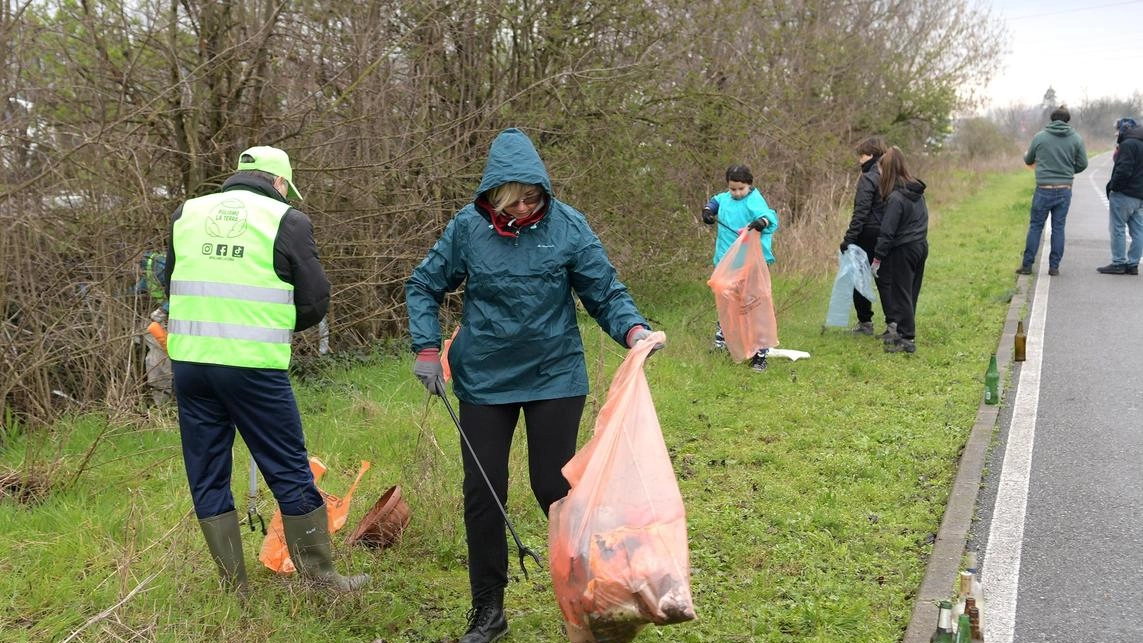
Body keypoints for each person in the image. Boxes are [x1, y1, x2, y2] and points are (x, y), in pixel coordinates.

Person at [405, 128, 659, 643]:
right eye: (516, 198)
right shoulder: (467, 229)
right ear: (495, 194)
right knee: (484, 491)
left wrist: (634, 330)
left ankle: (598, 594)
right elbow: (423, 283)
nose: (526, 206)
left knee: (553, 485)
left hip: (554, 374)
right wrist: (427, 350)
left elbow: (604, 290)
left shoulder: (567, 226)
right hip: (484, 378)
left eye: (534, 196)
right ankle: (488, 613)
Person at [162, 146, 368, 594]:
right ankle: (321, 579)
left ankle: (234, 586)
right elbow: (314, 302)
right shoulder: (287, 221)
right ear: (279, 183)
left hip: (191, 365)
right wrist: (269, 324)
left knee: (207, 470)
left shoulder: (186, 214)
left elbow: (171, 283)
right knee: (288, 465)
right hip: (252, 368)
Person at [701, 164, 779, 371]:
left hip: (750, 262)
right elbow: (715, 201)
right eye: (732, 189)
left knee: (753, 305)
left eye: (740, 189)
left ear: (749, 186)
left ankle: (760, 354)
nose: (736, 193)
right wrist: (708, 210)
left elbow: (769, 217)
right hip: (726, 261)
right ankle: (723, 343)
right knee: (725, 300)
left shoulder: (753, 200)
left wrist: (761, 222)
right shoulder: (725, 198)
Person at [1017, 106, 1088, 276]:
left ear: (1051, 119)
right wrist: (1069, 171)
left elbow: (1028, 159)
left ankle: (1027, 266)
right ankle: (1054, 267)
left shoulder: (1040, 137)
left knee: (1035, 226)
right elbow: (1083, 164)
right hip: (1064, 189)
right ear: (1067, 120)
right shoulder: (1076, 139)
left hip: (1043, 188)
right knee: (1058, 227)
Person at [871, 146, 928, 354]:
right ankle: (903, 332)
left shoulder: (896, 198)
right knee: (911, 291)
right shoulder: (917, 193)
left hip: (903, 249)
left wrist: (877, 258)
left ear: (887, 171)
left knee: (901, 292)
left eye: (880, 170)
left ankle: (907, 339)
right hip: (920, 245)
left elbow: (887, 231)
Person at [839, 136, 891, 337]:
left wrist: (849, 239)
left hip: (867, 234)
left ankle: (865, 323)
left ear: (871, 155)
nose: (860, 160)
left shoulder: (868, 178)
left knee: (859, 278)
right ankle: (893, 324)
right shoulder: (889, 176)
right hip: (886, 234)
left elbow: (861, 212)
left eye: (862, 155)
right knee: (885, 280)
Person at [1098, 119, 1143, 274]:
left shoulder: (1128, 145)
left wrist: (1114, 188)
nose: (1116, 133)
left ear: (1125, 129)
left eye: (1117, 130)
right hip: (1140, 196)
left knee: (1117, 228)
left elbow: (1123, 170)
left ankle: (1118, 263)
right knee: (1138, 231)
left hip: (1124, 193)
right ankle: (1133, 265)